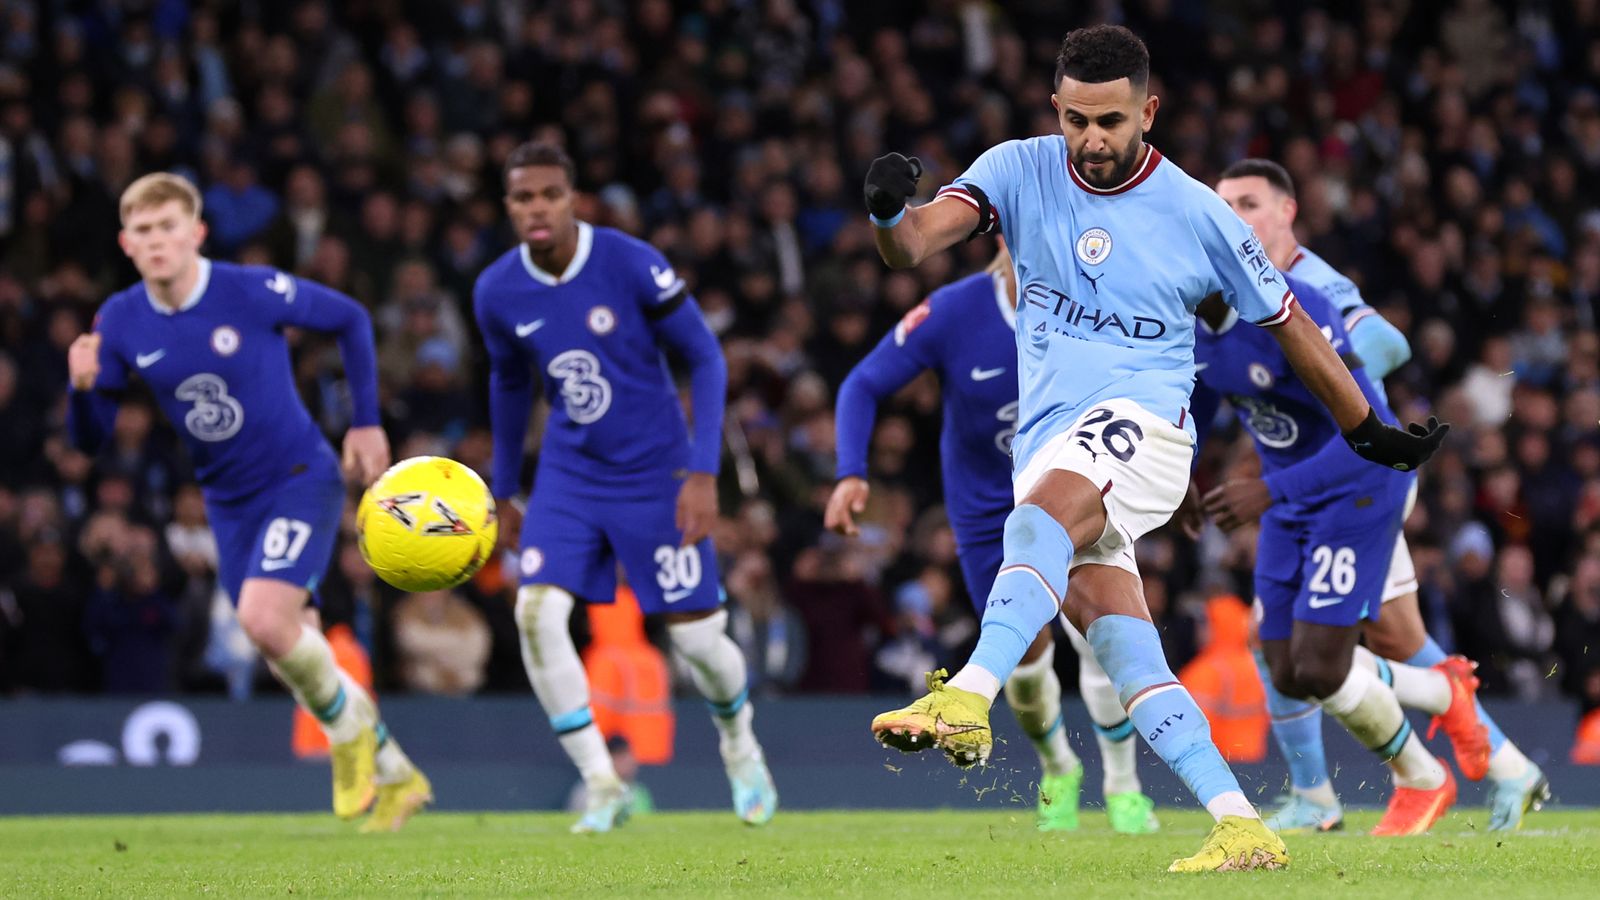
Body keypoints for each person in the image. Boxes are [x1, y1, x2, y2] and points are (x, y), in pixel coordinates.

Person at [859, 25, 1446, 872]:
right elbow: (913, 243)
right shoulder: (1016, 169)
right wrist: (887, 210)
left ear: (1149, 111)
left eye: (1111, 121)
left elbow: (1292, 325)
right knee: (1119, 640)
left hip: (1147, 425)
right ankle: (1240, 823)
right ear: (1056, 109)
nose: (1092, 140)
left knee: (1032, 525)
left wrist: (1367, 427)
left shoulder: (1198, 213)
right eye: (1076, 121)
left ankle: (969, 694)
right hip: (1051, 435)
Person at [65, 173, 430, 832]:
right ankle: (397, 773)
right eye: (143, 231)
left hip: (297, 476)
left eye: (169, 227)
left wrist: (366, 420)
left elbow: (350, 317)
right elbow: (89, 440)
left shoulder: (247, 289)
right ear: (125, 242)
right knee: (291, 650)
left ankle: (349, 740)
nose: (157, 242)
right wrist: (82, 387)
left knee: (265, 620)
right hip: (227, 503)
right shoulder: (120, 319)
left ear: (196, 232)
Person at [1212, 159, 1548, 832]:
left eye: (1249, 203)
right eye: (1224, 206)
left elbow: (1389, 343)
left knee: (1323, 647)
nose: (1234, 218)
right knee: (1388, 636)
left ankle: (1328, 793)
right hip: (1305, 482)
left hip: (1359, 471)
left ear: (1288, 211)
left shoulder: (1314, 283)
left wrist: (1319, 355)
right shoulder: (1224, 293)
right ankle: (1508, 768)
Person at [476, 142, 775, 833]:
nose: (537, 208)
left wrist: (702, 473)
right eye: (523, 198)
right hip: (570, 475)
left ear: (572, 198)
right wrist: (503, 488)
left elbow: (703, 355)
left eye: (549, 193)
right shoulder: (497, 290)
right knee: (535, 613)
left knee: (701, 645)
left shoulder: (630, 262)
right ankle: (600, 783)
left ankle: (740, 744)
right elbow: (509, 382)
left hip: (658, 475)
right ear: (509, 208)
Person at [826, 243, 1159, 834]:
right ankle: (1059, 767)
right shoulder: (955, 313)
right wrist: (852, 471)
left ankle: (1124, 784)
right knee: (1026, 665)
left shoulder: (1101, 308)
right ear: (1002, 236)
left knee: (1100, 641)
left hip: (1079, 494)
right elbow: (862, 383)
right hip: (989, 516)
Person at [1191, 275, 1484, 836]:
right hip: (1289, 498)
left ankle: (1421, 778)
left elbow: (1370, 434)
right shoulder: (1190, 322)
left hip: (1358, 489)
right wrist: (1185, 468)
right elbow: (1199, 394)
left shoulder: (1290, 306)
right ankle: (1442, 690)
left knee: (1321, 666)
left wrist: (1268, 490)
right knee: (1285, 670)